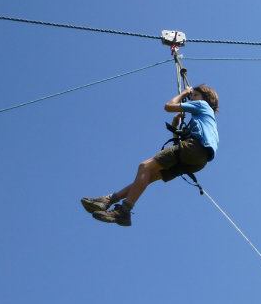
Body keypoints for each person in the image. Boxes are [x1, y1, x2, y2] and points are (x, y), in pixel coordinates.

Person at [81, 84, 219, 226]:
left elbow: (169, 106)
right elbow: (179, 145)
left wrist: (184, 93)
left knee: (144, 166)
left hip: (194, 149)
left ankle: (124, 211)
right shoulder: (204, 121)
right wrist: (175, 124)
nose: (192, 98)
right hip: (198, 160)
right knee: (148, 177)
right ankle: (108, 200)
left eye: (195, 95)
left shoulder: (202, 105)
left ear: (205, 98)